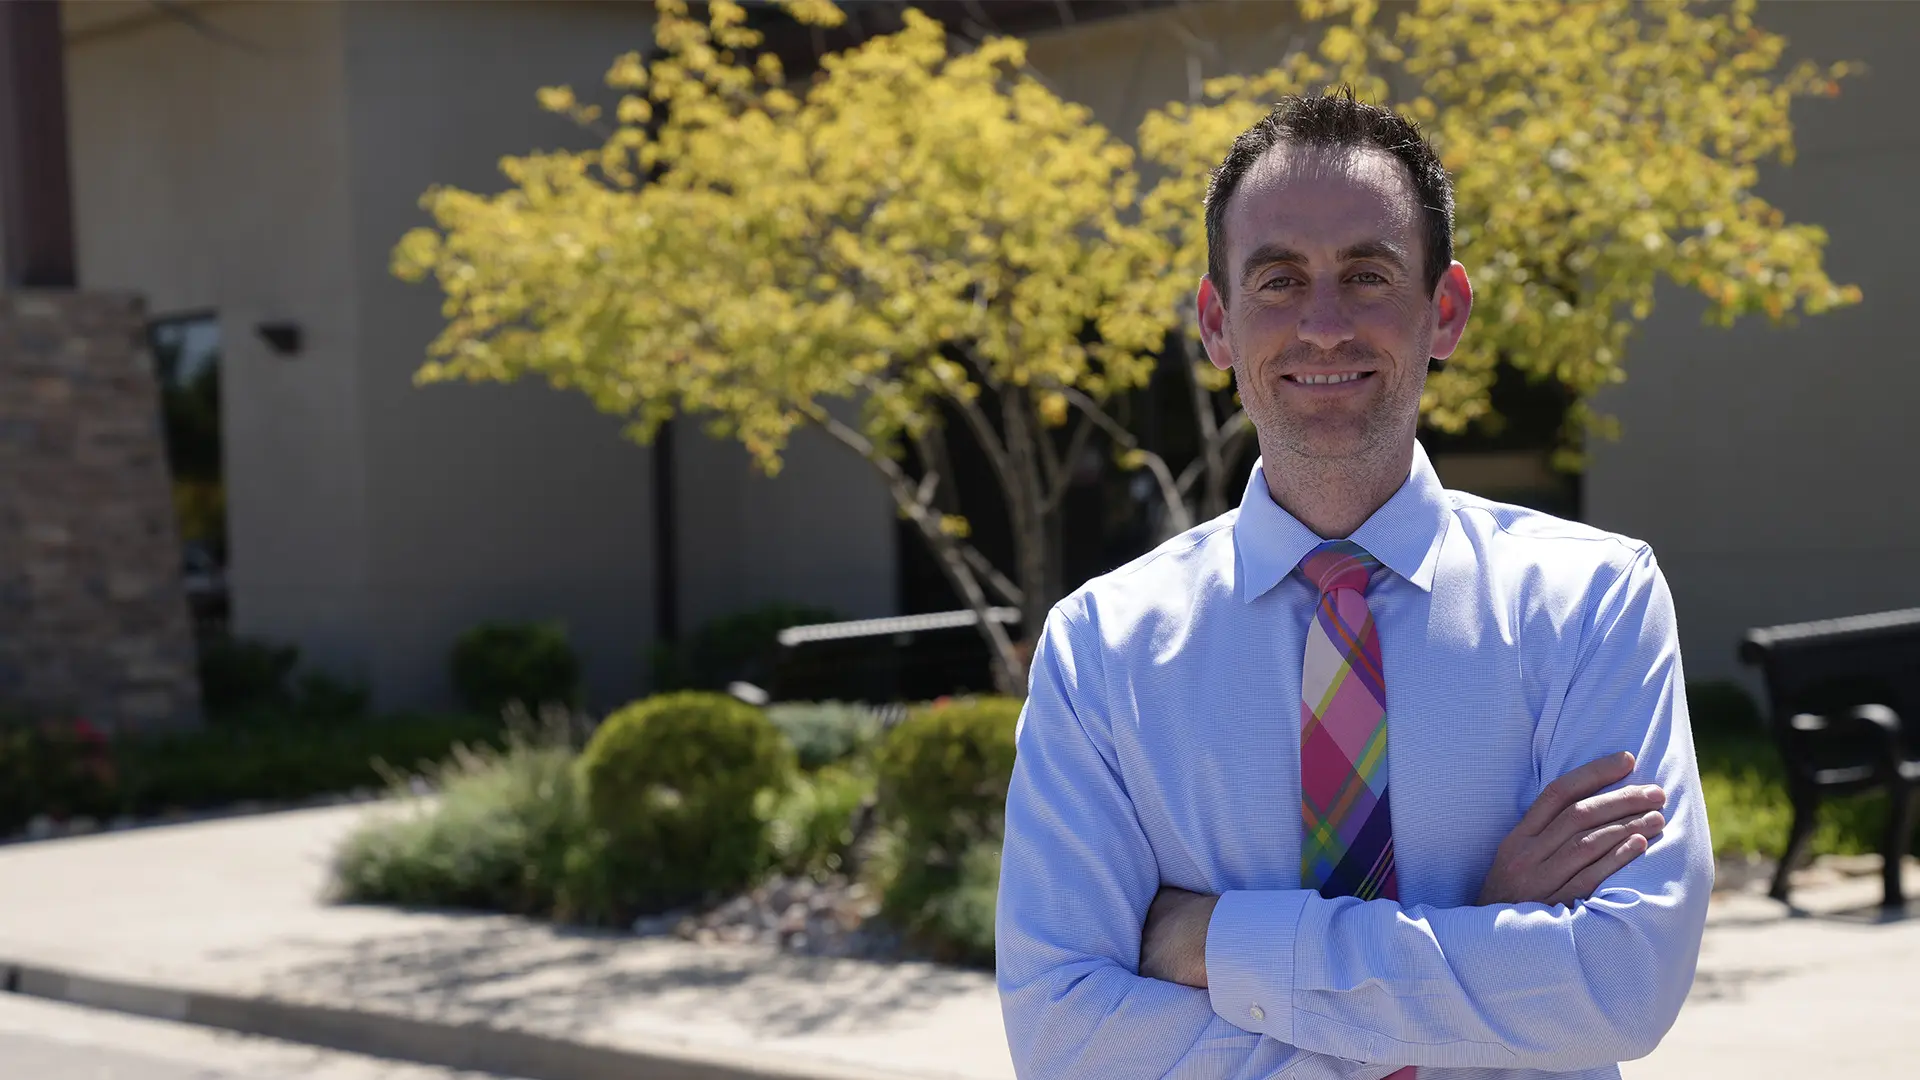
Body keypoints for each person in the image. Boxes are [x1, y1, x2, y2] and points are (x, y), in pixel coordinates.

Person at [994, 89, 1712, 1080]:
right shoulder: (1100, 650)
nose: (1323, 324)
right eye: (1278, 279)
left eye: (1367, 275)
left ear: (1445, 311)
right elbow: (1063, 1038)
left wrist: (1216, 948)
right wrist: (1481, 945)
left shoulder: (1592, 604)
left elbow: (1620, 987)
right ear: (1217, 323)